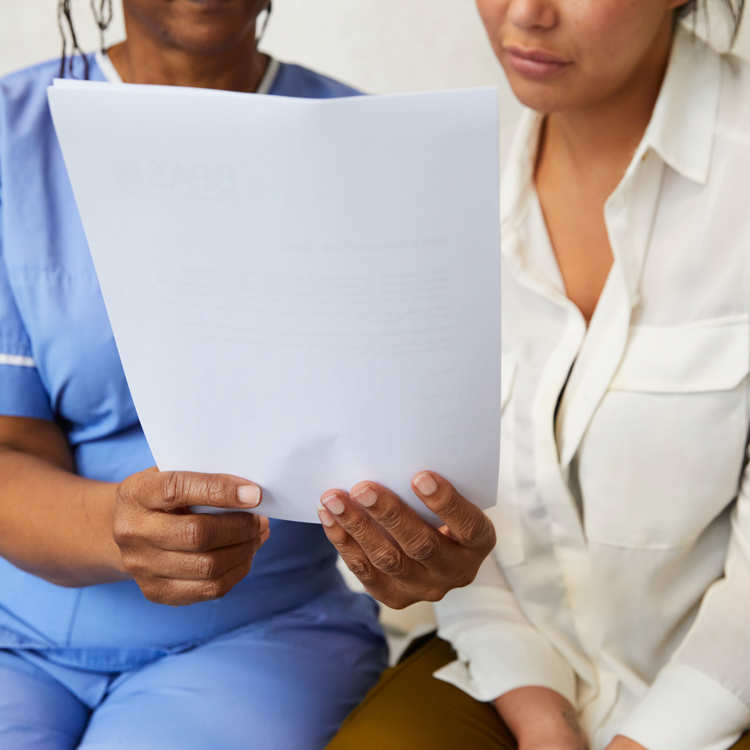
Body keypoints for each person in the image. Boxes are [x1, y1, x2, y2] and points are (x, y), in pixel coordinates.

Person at [0, 1, 497, 747]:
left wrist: (419, 545)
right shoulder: (14, 137)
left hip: (262, 635)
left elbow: (410, 460)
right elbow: (11, 446)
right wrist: (117, 530)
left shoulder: (378, 150)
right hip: (16, 634)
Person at [328, 0, 750, 749]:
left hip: (723, 689)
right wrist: (540, 715)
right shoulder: (446, 188)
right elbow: (459, 520)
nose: (526, 13)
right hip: (517, 667)